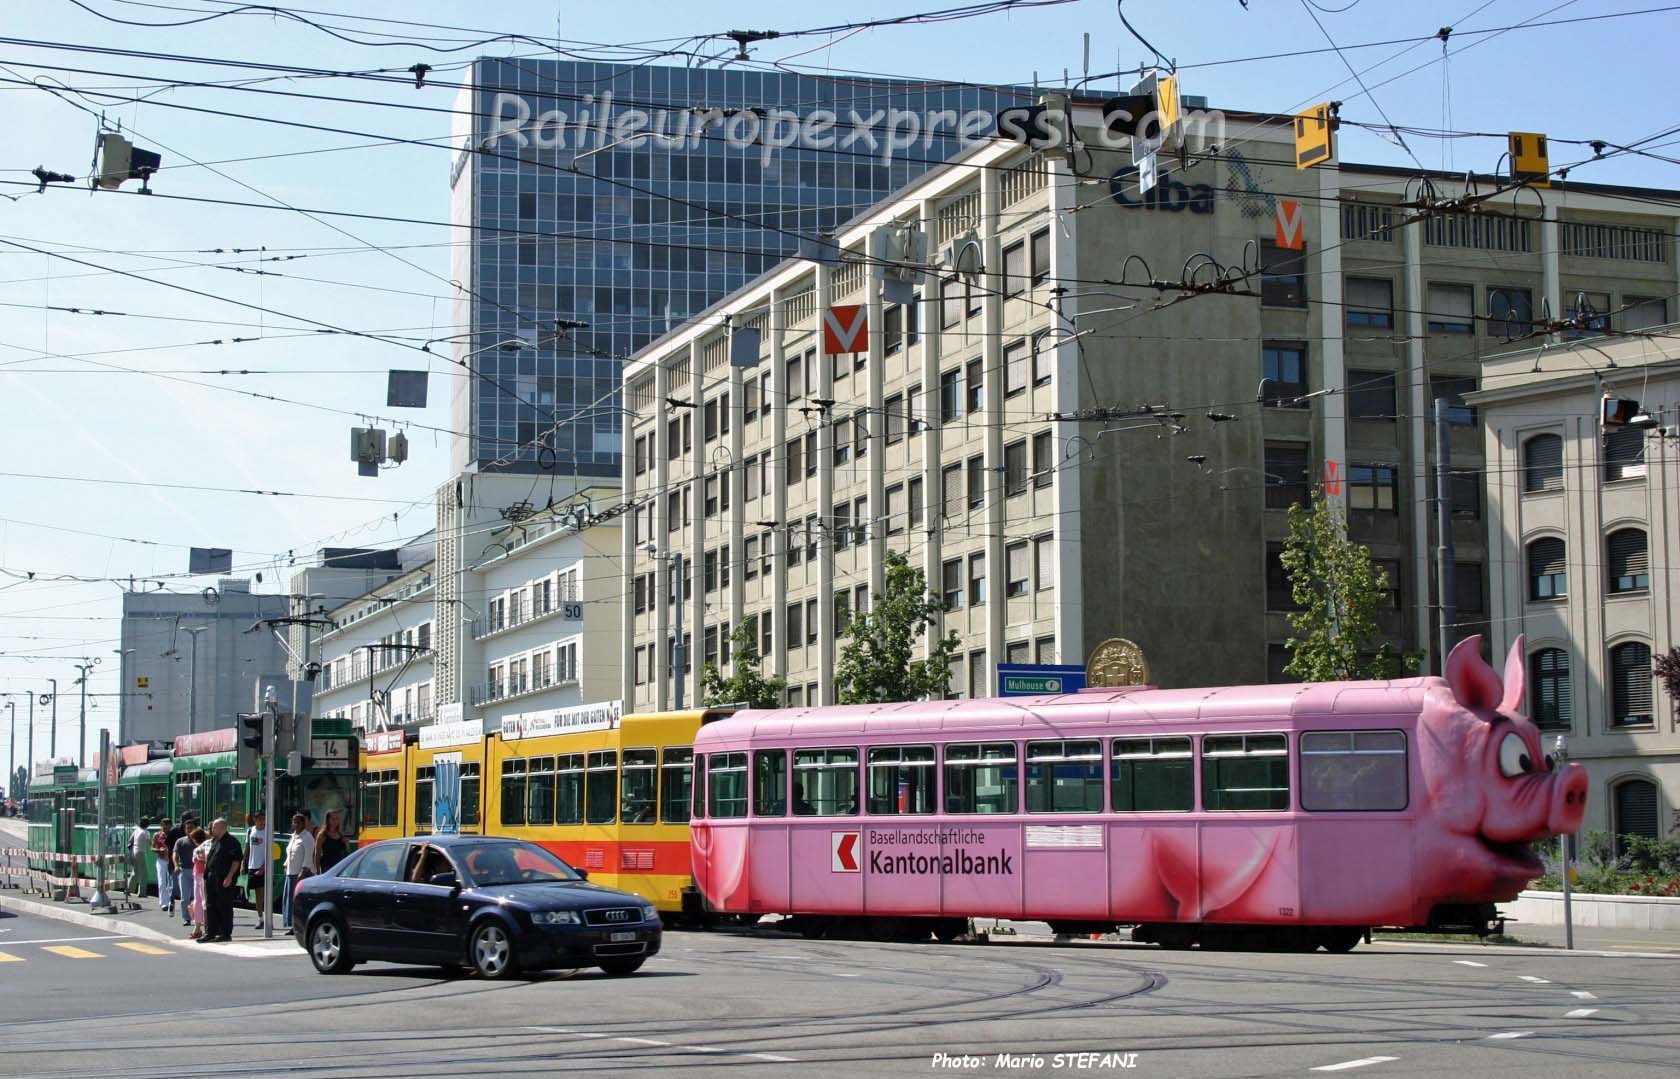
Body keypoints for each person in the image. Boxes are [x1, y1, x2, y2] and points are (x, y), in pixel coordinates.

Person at [200, 818, 243, 944]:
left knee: (224, 905)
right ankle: (210, 932)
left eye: (214, 827)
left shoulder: (232, 842)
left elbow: (236, 861)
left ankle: (225, 933)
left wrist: (229, 876)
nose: (212, 830)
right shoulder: (215, 841)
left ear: (222, 828)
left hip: (223, 878)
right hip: (211, 877)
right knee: (210, 905)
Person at [282, 813, 315, 931]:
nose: (296, 825)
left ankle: (298, 926)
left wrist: (303, 871)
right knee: (289, 899)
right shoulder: (294, 836)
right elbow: (289, 852)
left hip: (301, 874)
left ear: (303, 823)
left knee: (298, 901)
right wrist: (285, 865)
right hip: (291, 872)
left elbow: (308, 856)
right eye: (294, 822)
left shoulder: (307, 837)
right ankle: (290, 925)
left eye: (298, 822)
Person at [245, 811, 268, 926]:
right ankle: (260, 918)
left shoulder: (268, 832)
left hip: (263, 867)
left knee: (262, 894)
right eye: (259, 819)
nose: (261, 821)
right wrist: (242, 864)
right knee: (255, 895)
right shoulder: (250, 831)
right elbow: (247, 848)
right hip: (252, 866)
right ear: (255, 819)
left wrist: (263, 868)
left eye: (263, 819)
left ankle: (266, 920)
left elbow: (271, 853)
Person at [186, 827, 209, 938]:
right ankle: (202, 927)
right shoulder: (208, 846)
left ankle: (198, 927)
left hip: (199, 876)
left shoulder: (198, 849)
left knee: (199, 901)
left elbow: (196, 860)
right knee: (202, 901)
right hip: (203, 875)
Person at [152, 817, 175, 912]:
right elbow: (152, 848)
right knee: (162, 881)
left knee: (171, 883)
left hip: (171, 860)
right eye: (163, 827)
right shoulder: (157, 835)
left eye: (167, 827)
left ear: (170, 826)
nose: (165, 830)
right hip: (161, 860)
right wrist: (158, 850)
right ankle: (163, 903)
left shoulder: (174, 835)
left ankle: (170, 901)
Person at [127, 817, 152, 900]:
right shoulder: (146, 832)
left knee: (135, 872)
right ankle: (142, 893)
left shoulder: (137, 830)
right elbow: (150, 843)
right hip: (141, 852)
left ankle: (128, 889)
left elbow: (130, 840)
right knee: (144, 874)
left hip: (134, 851)